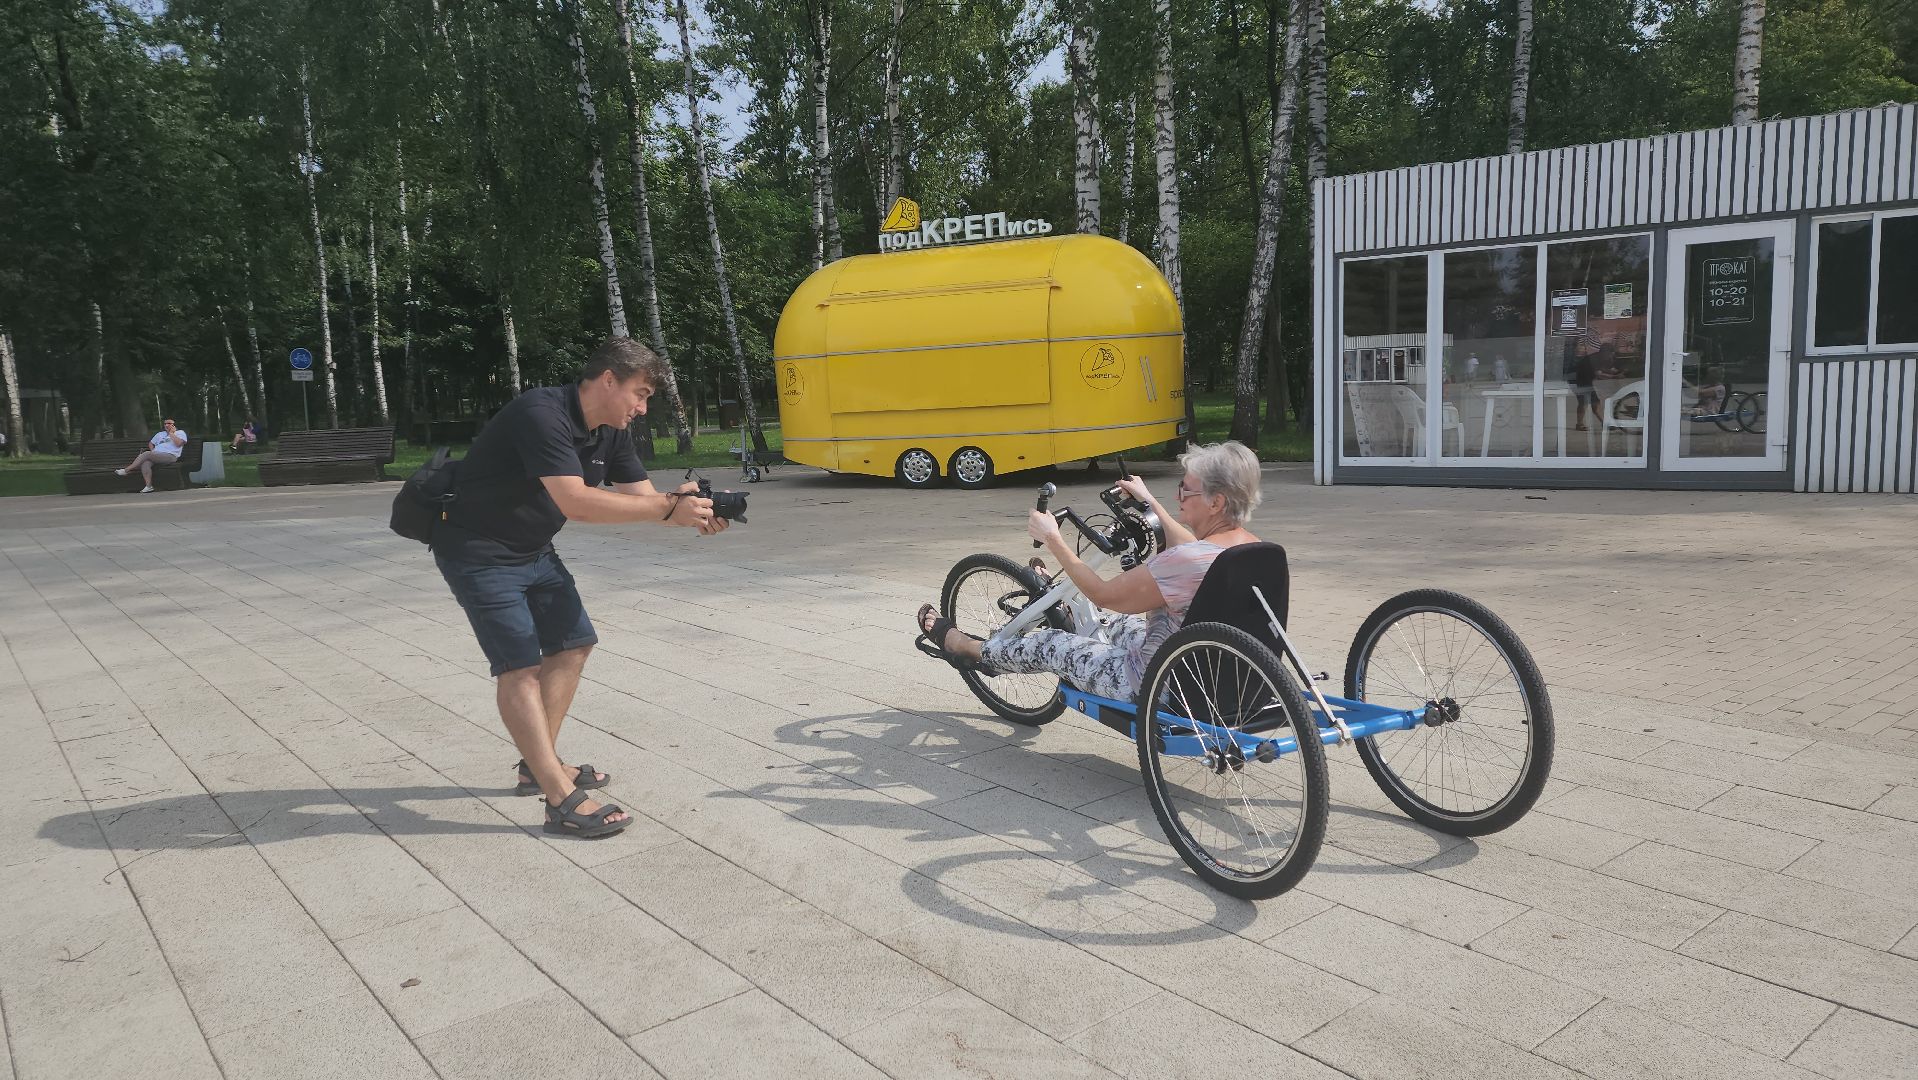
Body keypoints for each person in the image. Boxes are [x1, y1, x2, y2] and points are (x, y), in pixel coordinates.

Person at [430, 337, 725, 840]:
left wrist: (689, 513)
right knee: (519, 667)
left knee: (572, 645)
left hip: (533, 549)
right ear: (608, 380)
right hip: (477, 551)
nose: (642, 407)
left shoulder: (611, 432)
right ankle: (559, 799)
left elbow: (645, 499)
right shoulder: (540, 414)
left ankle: (535, 764)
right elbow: (575, 501)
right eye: (641, 393)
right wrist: (665, 509)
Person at [913, 441, 1263, 702]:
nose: (1179, 495)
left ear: (1216, 502)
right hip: (1219, 676)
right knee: (1113, 626)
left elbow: (1104, 594)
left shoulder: (1186, 562)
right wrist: (1149, 502)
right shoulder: (1252, 550)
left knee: (1052, 643)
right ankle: (1063, 607)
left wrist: (1053, 538)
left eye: (1186, 489)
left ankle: (968, 647)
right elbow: (1189, 547)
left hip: (1155, 681)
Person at [116, 419, 187, 492]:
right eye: (165, 423)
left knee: (147, 453)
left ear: (174, 425)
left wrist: (171, 433)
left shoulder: (180, 433)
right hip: (157, 455)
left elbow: (179, 443)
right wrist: (153, 452)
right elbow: (151, 443)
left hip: (170, 456)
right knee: (145, 463)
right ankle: (149, 486)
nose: (166, 425)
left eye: (169, 423)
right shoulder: (160, 434)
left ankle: (126, 470)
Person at [1571, 337, 1621, 432]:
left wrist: (1614, 372)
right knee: (1584, 403)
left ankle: (1603, 423)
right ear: (1605, 352)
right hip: (1579, 380)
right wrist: (1614, 376)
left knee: (1595, 403)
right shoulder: (1595, 359)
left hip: (1587, 380)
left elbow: (1601, 370)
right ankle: (1580, 424)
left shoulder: (1601, 358)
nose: (1611, 356)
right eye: (1610, 354)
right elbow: (1599, 374)